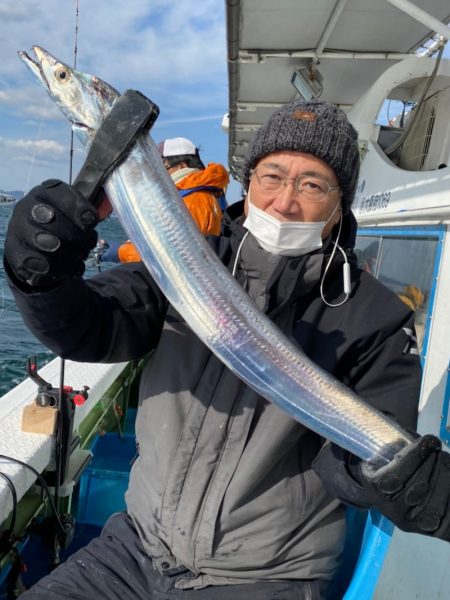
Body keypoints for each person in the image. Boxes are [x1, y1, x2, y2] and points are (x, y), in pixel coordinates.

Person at [3, 100, 450, 600]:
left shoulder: (375, 318)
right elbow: (88, 327)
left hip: (268, 577)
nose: (284, 202)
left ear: (339, 202)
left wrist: (394, 478)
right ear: (248, 182)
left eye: (312, 184)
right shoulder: (189, 262)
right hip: (133, 550)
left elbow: (365, 462)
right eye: (272, 176)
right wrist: (38, 275)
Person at [98, 137, 229, 263]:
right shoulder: (202, 194)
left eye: (161, 167)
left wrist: (120, 253)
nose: (156, 175)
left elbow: (173, 256)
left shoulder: (196, 200)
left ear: (182, 165)